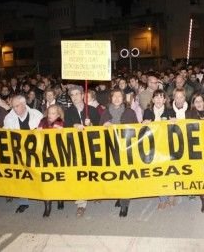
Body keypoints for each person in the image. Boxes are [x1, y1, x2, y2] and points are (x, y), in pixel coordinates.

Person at [99, 89, 138, 217]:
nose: (116, 98)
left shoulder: (130, 112)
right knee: (115, 176)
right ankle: (119, 196)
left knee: (124, 176)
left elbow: (136, 130)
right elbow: (99, 131)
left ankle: (124, 204)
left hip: (126, 150)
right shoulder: (105, 112)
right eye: (114, 96)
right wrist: (103, 125)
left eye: (119, 96)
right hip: (111, 149)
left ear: (123, 98)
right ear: (111, 98)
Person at [64, 84, 100, 217]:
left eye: (76, 94)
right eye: (71, 95)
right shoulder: (67, 112)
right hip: (76, 147)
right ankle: (81, 203)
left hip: (91, 146)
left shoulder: (92, 109)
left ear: (82, 95)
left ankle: (95, 193)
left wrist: (90, 125)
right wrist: (73, 126)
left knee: (93, 172)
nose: (74, 97)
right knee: (79, 174)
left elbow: (99, 128)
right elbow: (65, 129)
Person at [3, 95, 43, 213]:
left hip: (36, 151)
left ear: (24, 104)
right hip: (19, 152)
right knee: (21, 176)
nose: (15, 109)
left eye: (17, 106)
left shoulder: (37, 115)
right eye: (13, 106)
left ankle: (40, 194)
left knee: (36, 174)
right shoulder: (9, 118)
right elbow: (5, 133)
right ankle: (23, 202)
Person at [142, 89, 177, 209]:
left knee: (170, 171)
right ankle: (162, 198)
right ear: (152, 99)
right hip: (154, 147)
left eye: (161, 97)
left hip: (167, 146)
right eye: (156, 97)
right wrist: (143, 123)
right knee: (158, 173)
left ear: (165, 100)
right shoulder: (147, 111)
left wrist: (174, 122)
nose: (158, 99)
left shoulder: (170, 111)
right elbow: (143, 130)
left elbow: (176, 130)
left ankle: (172, 194)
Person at [37, 104, 65, 217]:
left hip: (58, 155)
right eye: (49, 112)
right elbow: (37, 134)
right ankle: (47, 205)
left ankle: (60, 198)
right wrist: (37, 131)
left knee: (58, 178)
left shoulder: (61, 122)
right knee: (46, 180)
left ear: (58, 114)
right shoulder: (42, 121)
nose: (50, 115)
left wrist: (61, 131)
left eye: (53, 113)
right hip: (45, 154)